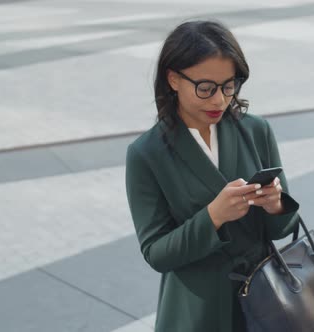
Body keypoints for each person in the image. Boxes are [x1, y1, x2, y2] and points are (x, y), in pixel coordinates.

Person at [125, 20, 300, 332]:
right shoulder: (147, 153)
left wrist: (275, 205)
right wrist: (213, 217)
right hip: (197, 312)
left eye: (228, 86)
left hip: (267, 302)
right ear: (174, 79)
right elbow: (156, 253)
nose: (219, 100)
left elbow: (281, 228)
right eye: (205, 88)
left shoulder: (255, 131)